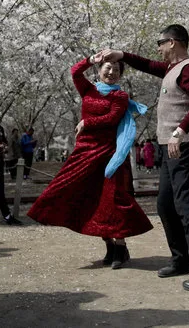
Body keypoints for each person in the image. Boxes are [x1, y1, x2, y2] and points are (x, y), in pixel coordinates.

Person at [100, 24, 189, 292]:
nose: (158, 48)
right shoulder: (171, 70)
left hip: (184, 146)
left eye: (160, 42)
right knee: (166, 205)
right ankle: (181, 260)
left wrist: (180, 131)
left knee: (187, 206)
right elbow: (146, 64)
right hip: (169, 148)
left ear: (173, 42)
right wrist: (120, 54)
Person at [27, 54, 152, 269]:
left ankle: (120, 247)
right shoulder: (88, 89)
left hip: (108, 153)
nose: (111, 72)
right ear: (99, 69)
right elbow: (75, 71)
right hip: (84, 153)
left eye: (116, 70)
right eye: (107, 68)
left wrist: (87, 122)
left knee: (112, 200)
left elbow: (112, 119)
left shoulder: (120, 96)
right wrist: (90, 59)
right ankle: (109, 246)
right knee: (85, 197)